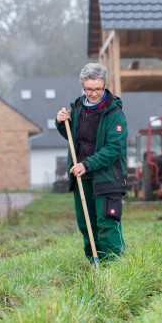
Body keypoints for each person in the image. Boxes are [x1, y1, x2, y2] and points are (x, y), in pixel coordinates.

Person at [56, 63, 128, 263]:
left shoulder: (115, 114)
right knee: (86, 225)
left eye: (98, 89)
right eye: (89, 89)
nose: (93, 93)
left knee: (107, 224)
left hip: (108, 178)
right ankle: (94, 265)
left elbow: (113, 149)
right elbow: (73, 137)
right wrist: (62, 122)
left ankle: (116, 269)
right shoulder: (78, 107)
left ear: (105, 86)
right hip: (83, 177)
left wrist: (86, 164)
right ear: (83, 87)